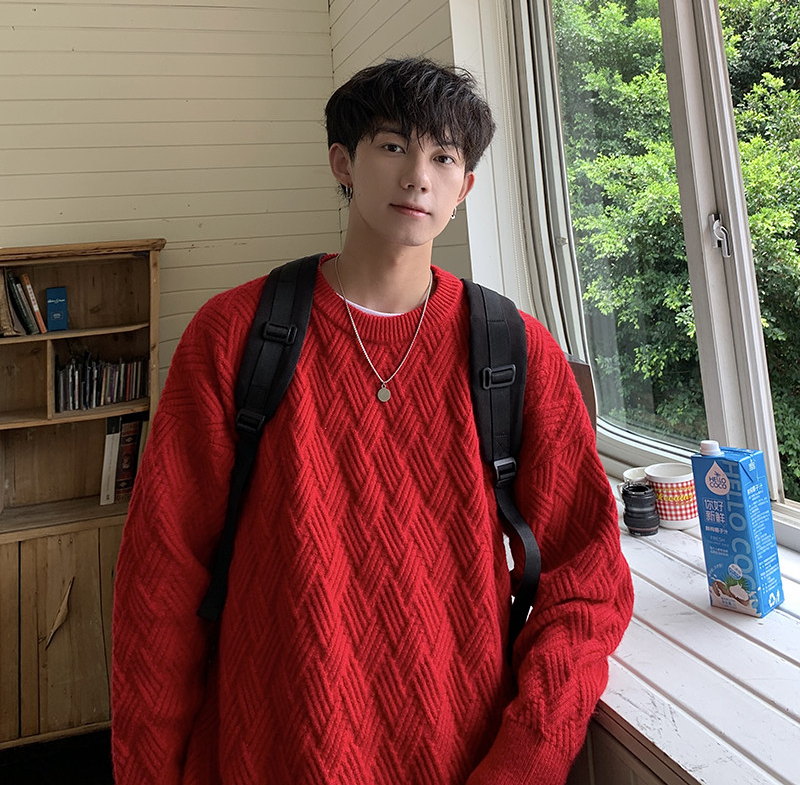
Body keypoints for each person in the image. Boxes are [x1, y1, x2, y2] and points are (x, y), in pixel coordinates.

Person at [111, 57, 633, 785]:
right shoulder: (234, 335)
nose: (418, 176)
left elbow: (586, 579)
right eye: (392, 145)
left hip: (462, 754)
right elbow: (160, 579)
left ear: (465, 186)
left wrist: (523, 764)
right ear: (343, 163)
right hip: (271, 747)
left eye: (443, 156)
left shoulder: (512, 350)